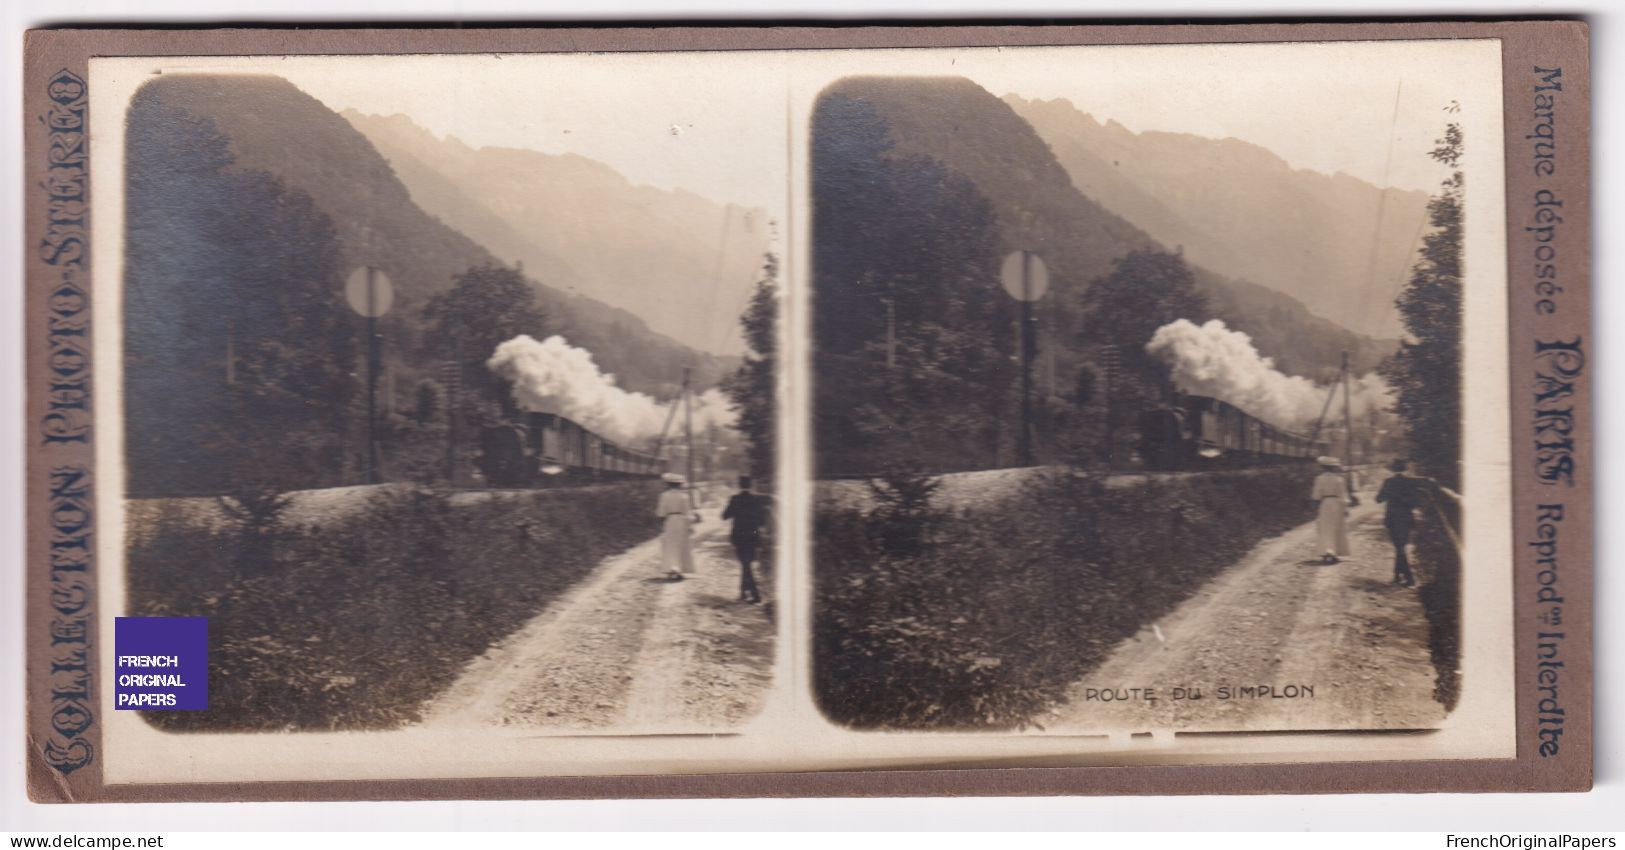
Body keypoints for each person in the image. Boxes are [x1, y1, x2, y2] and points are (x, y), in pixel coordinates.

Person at [1375, 458, 1429, 586]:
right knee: (1401, 547)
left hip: (1392, 518)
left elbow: (1378, 499)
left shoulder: (1388, 482)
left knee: (1399, 547)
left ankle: (1408, 577)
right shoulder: (1410, 482)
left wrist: (1389, 495)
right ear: (1404, 469)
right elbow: (1417, 502)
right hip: (1406, 518)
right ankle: (1397, 575)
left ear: (1393, 469)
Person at [722, 476, 772, 603]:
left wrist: (734, 511)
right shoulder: (756, 500)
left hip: (739, 535)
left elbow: (724, 516)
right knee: (747, 564)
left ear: (740, 485)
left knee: (745, 564)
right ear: (751, 485)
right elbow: (761, 521)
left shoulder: (735, 499)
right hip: (753, 535)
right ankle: (744, 592)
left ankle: (754, 594)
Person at [1310, 456, 1355, 564]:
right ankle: (1334, 552)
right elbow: (1343, 495)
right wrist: (1345, 508)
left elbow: (1316, 495)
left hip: (1325, 503)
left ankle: (1327, 551)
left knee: (1325, 527)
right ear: (1334, 468)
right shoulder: (1339, 479)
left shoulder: (1319, 478)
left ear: (1323, 467)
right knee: (1336, 528)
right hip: (1337, 504)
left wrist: (1315, 506)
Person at [656, 473, 697, 581]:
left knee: (670, 545)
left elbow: (661, 512)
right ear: (679, 484)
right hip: (681, 521)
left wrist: (662, 522)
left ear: (669, 484)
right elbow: (688, 512)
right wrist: (690, 524)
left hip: (670, 521)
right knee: (681, 545)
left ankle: (671, 569)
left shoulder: (664, 495)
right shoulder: (684, 496)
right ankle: (679, 569)